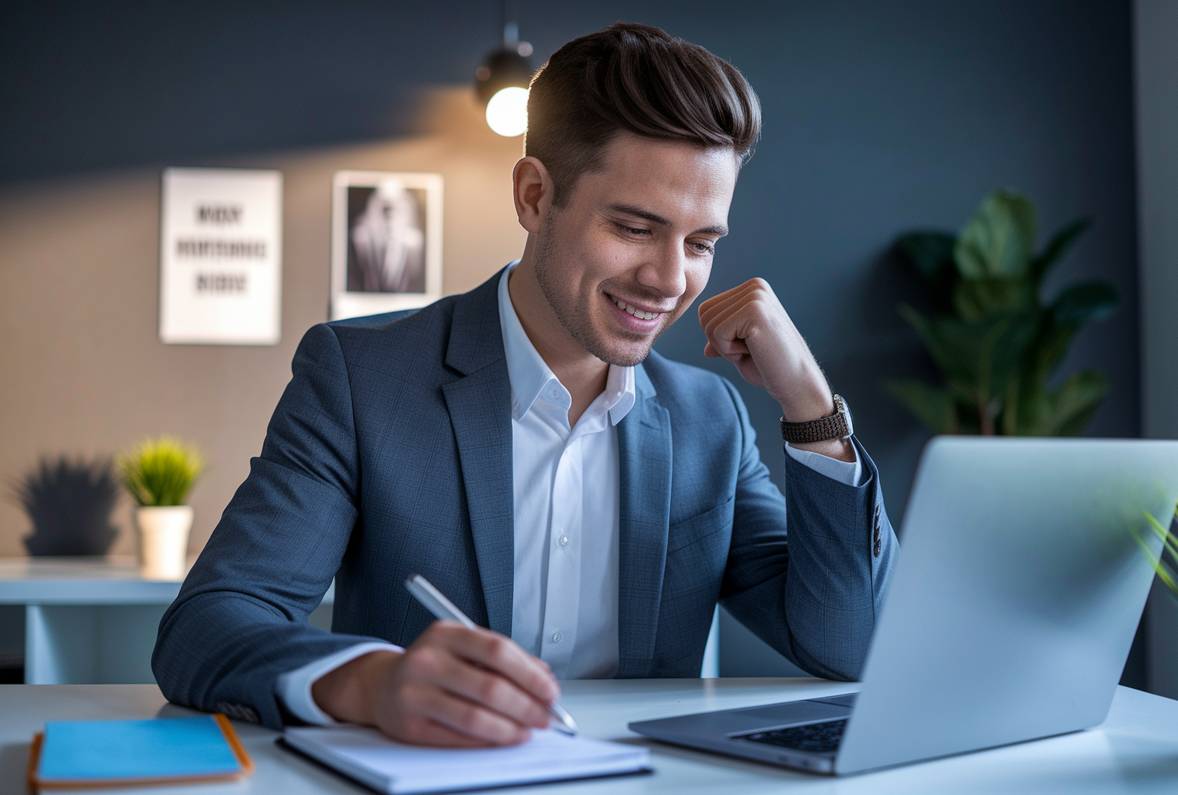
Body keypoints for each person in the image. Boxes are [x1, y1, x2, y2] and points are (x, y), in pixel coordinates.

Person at [153, 22, 898, 748]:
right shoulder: (360, 378)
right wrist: (369, 683)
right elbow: (212, 623)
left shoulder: (711, 420)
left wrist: (811, 408)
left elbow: (852, 647)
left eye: (701, 243)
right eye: (636, 228)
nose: (671, 280)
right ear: (535, 197)